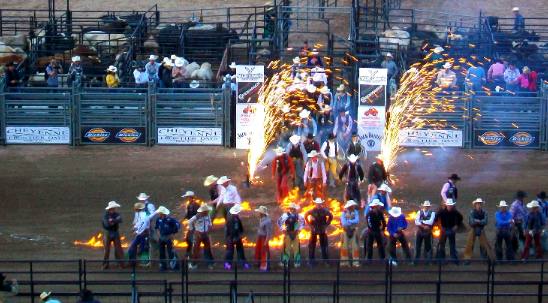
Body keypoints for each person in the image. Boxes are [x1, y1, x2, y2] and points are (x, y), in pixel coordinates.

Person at [463, 198, 495, 264]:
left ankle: (485, 257)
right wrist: (480, 222)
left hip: (479, 228)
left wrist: (477, 221)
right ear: (475, 205)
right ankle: (467, 258)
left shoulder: (482, 212)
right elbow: (471, 222)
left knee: (484, 243)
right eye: (478, 204)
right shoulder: (474, 212)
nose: (479, 205)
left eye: (480, 204)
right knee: (470, 243)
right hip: (474, 229)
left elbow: (485, 221)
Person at [128, 202, 158, 267]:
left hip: (144, 234)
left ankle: (144, 262)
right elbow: (138, 223)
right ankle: (133, 262)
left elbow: (143, 225)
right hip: (141, 234)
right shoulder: (140, 215)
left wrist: (136, 230)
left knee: (143, 248)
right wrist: (135, 228)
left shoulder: (144, 216)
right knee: (133, 247)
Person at [305, 198, 333, 266]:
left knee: (324, 245)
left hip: (322, 229)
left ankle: (325, 260)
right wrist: (310, 225)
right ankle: (311, 261)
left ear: (321, 204)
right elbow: (306, 215)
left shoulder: (324, 211)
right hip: (314, 229)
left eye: (319, 204)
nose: (318, 205)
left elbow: (331, 216)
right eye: (317, 204)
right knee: (312, 245)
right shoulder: (312, 211)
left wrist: (326, 224)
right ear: (315, 204)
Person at [435, 198, 463, 264]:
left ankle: (453, 258)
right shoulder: (441, 212)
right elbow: (436, 219)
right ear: (446, 205)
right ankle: (442, 258)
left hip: (451, 229)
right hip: (444, 229)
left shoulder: (455, 212)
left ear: (452, 206)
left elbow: (461, 217)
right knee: (442, 244)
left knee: (452, 244)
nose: (450, 206)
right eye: (449, 205)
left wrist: (456, 225)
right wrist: (440, 226)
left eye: (451, 205)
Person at [187, 204, 214, 270]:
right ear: (204, 211)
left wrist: (210, 226)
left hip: (205, 234)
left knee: (207, 249)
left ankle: (209, 263)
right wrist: (191, 229)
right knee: (196, 249)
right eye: (207, 211)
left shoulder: (207, 215)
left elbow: (209, 222)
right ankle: (194, 263)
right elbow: (189, 221)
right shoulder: (197, 216)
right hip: (198, 234)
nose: (208, 212)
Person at [277, 203, 305, 268]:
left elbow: (303, 223)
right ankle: (286, 262)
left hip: (295, 233)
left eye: (293, 209)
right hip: (288, 233)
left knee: (296, 249)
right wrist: (283, 229)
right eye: (291, 208)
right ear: (290, 209)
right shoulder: (285, 215)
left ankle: (296, 263)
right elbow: (279, 222)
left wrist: (299, 230)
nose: (292, 210)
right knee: (287, 248)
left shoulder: (298, 216)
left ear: (295, 209)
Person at [224, 204, 250, 270]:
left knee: (240, 251)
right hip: (231, 238)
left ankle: (242, 263)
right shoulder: (231, 220)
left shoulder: (236, 219)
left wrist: (240, 233)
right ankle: (227, 264)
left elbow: (240, 227)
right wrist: (233, 237)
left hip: (236, 237)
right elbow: (230, 230)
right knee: (230, 252)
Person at [155, 206, 180, 271]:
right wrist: (159, 236)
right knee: (161, 252)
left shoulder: (170, 219)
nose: (159, 214)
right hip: (161, 237)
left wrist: (172, 235)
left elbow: (177, 226)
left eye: (160, 213)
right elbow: (157, 228)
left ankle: (175, 267)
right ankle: (163, 266)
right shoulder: (158, 219)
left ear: (162, 213)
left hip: (168, 237)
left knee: (171, 252)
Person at [136, 193, 158, 266]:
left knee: (153, 242)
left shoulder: (150, 206)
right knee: (146, 243)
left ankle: (153, 260)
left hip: (150, 226)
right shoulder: (140, 207)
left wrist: (146, 219)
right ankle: (149, 260)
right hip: (143, 227)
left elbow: (153, 214)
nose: (142, 201)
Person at [102, 201, 124, 269]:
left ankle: (120, 264)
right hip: (108, 233)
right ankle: (105, 264)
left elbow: (120, 220)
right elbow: (107, 224)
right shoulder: (105, 215)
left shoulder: (116, 214)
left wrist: (112, 221)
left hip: (114, 232)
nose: (114, 209)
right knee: (107, 250)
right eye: (113, 208)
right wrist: (114, 221)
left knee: (118, 249)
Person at [340, 200, 360, 267]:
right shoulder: (343, 213)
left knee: (355, 247)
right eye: (352, 206)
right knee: (344, 247)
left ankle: (355, 262)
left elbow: (357, 221)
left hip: (353, 231)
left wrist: (349, 221)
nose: (353, 207)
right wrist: (351, 222)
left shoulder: (356, 212)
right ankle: (344, 262)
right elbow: (344, 223)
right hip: (345, 231)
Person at [254, 206, 273, 271]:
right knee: (259, 251)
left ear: (262, 213)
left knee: (264, 252)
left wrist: (266, 241)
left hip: (264, 238)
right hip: (260, 237)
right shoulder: (261, 219)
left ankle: (265, 266)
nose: (258, 213)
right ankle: (259, 263)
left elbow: (268, 232)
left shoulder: (267, 221)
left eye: (259, 212)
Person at [182, 191, 200, 259]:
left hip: (195, 224)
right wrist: (184, 218)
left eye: (187, 197)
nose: (186, 198)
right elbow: (188, 214)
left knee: (192, 239)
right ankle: (189, 251)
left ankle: (192, 253)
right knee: (188, 239)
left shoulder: (196, 205)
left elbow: (197, 215)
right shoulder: (189, 204)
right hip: (191, 224)